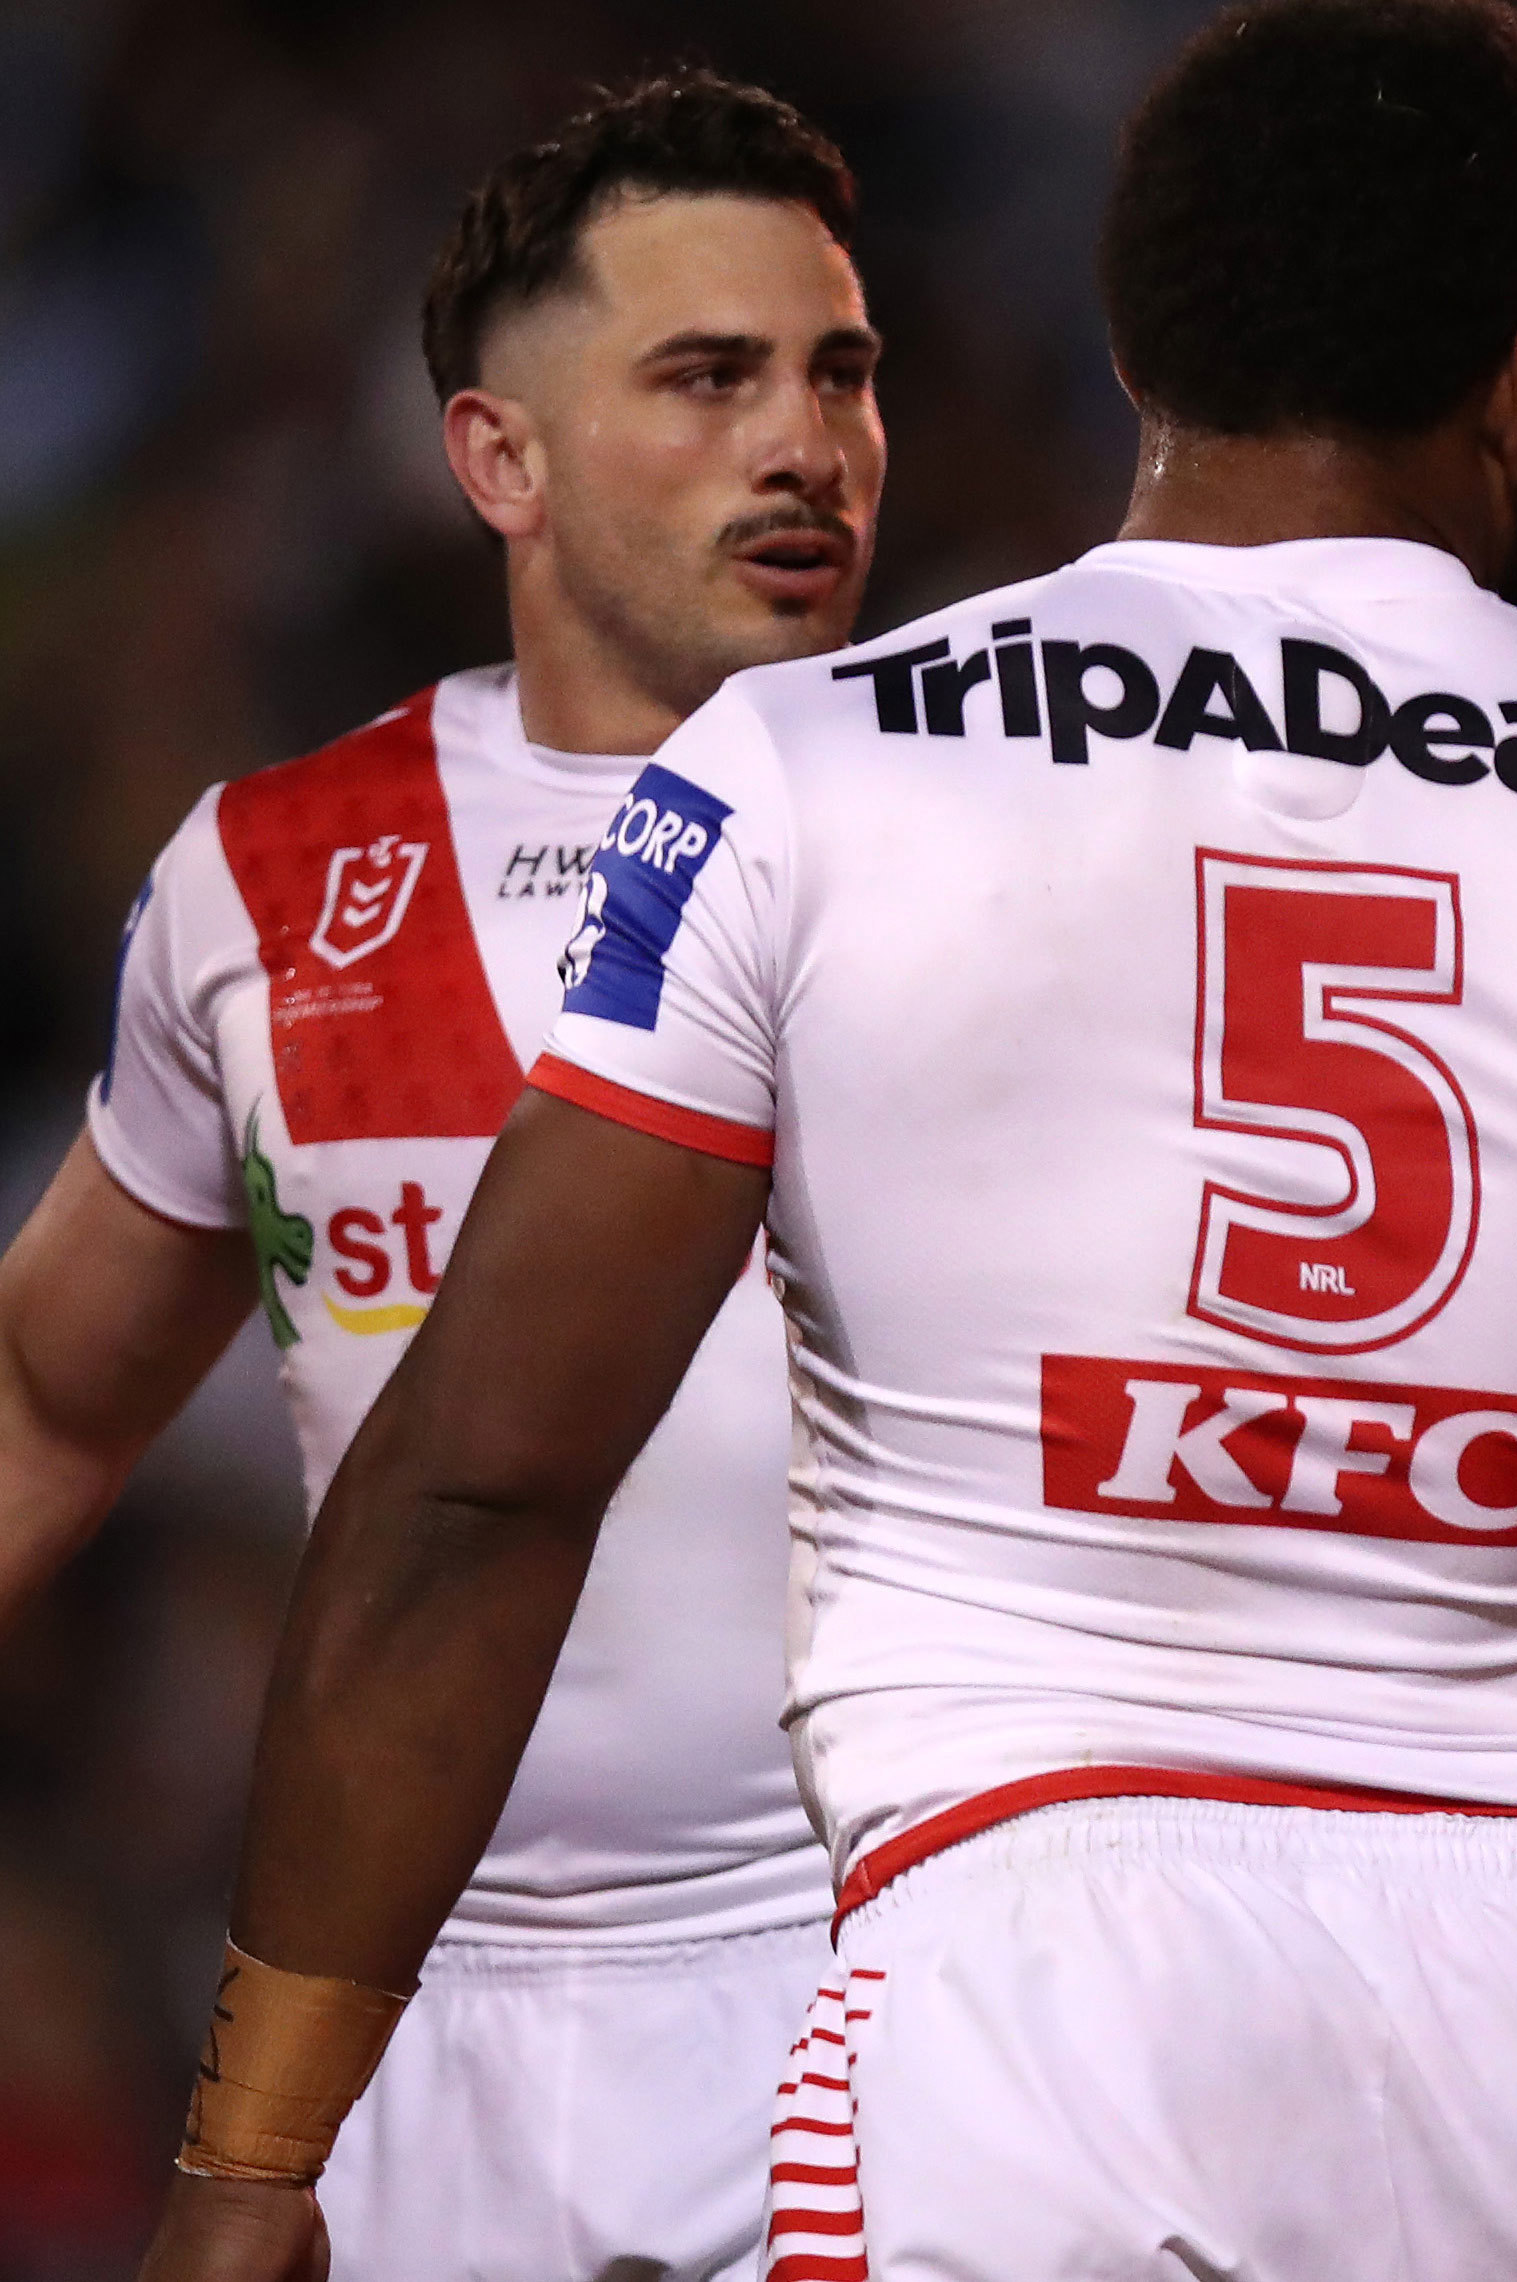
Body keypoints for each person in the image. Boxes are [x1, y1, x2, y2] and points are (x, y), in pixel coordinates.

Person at [132, 4, 1517, 2277]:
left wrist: (256, 2156)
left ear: (1134, 351)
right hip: (1511, 1996)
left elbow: (474, 1487)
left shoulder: (813, 767)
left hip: (1010, 1965)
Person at [0, 72, 877, 2280]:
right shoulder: (273, 878)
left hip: (886, 1965)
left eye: (840, 371)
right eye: (708, 377)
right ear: (502, 457)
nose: (807, 441)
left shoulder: (990, 834)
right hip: (406, 2023)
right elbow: (50, 1400)